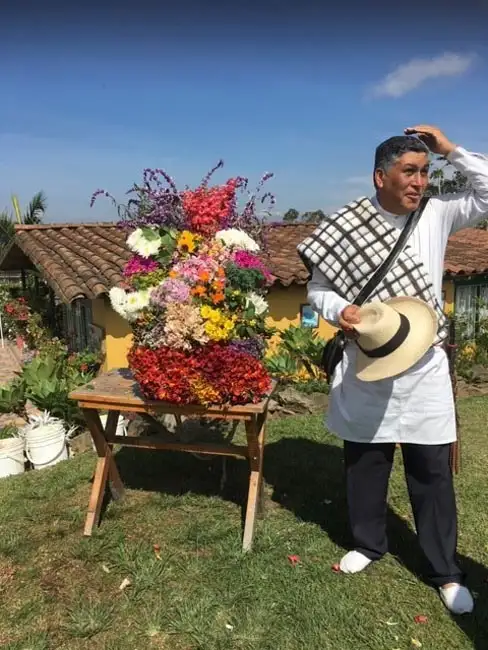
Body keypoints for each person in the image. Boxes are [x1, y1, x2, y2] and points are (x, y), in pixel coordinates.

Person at [297, 125, 488, 616]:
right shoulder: (345, 225)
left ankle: (445, 569)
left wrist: (451, 150)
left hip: (424, 366)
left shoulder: (439, 213)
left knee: (431, 470)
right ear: (379, 177)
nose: (420, 181)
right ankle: (367, 543)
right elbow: (317, 289)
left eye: (425, 171)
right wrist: (339, 309)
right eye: (409, 171)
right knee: (365, 460)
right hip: (368, 360)